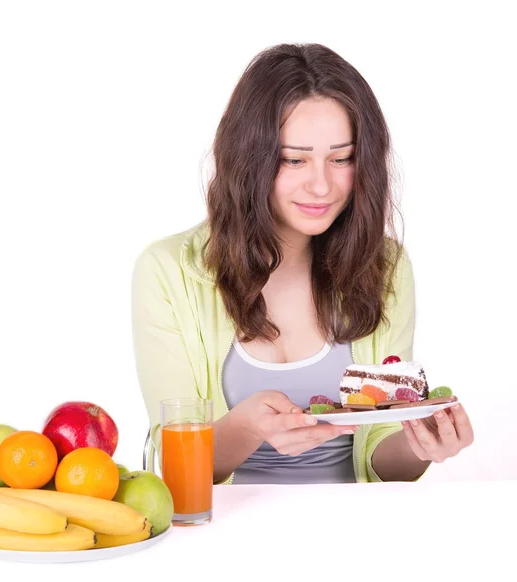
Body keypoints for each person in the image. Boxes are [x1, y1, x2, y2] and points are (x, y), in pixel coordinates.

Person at [130, 42, 474, 485]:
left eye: (342, 158)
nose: (321, 185)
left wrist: (420, 444)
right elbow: (174, 466)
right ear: (248, 160)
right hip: (221, 536)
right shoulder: (167, 272)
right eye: (294, 159)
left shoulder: (385, 266)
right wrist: (249, 427)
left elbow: (384, 460)